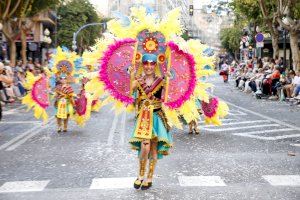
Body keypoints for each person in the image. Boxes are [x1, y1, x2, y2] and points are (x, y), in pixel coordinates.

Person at [129, 54, 172, 190]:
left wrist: (170, 80)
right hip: (143, 119)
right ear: (142, 64)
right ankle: (140, 174)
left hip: (157, 117)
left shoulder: (162, 81)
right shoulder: (138, 80)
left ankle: (149, 177)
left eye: (151, 64)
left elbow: (169, 96)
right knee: (145, 146)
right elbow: (129, 93)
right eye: (146, 63)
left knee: (153, 149)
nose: (148, 66)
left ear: (155, 65)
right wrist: (131, 75)